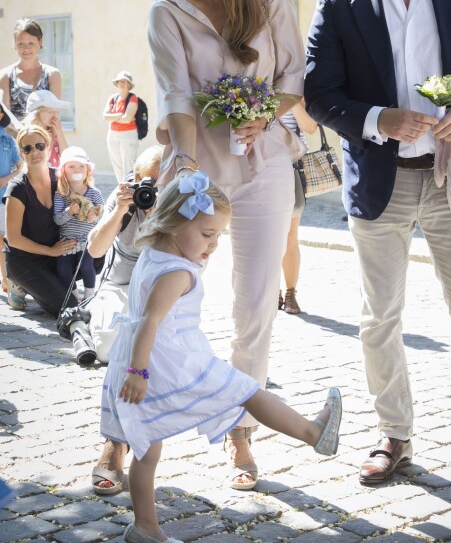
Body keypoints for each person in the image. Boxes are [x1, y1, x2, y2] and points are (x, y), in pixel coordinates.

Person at [304, 0, 451, 492]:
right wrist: (378, 118)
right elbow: (319, 92)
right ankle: (394, 435)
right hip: (382, 180)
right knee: (380, 316)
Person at [100, 172, 342, 542]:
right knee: (247, 391)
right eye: (207, 234)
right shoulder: (177, 272)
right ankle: (313, 432)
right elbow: (150, 320)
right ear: (175, 224)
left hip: (148, 356)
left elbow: (145, 317)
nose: (213, 245)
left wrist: (134, 366)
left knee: (147, 450)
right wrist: (138, 370)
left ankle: (145, 528)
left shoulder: (156, 251)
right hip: (170, 362)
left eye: (218, 236)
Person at [147, 0, 306, 490]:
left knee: (256, 303)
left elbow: (292, 79)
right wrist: (187, 167)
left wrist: (262, 113)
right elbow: (175, 94)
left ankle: (240, 429)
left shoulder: (271, 0)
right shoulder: (167, 10)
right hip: (201, 168)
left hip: (266, 164)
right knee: (160, 296)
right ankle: (124, 433)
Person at [89, 145, 162, 495]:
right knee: (109, 344)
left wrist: (156, 213)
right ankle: (118, 440)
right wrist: (120, 209)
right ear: (133, 178)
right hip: (119, 285)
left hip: (156, 293)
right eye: (145, 181)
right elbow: (94, 250)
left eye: (159, 183)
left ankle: (115, 444)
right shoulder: (124, 200)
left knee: (134, 342)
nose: (149, 189)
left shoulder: (174, 204)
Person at [2, 125, 77, 316]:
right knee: (68, 307)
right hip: (24, 260)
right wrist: (51, 251)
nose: (34, 151)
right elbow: (14, 239)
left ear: (49, 147)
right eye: (27, 149)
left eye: (39, 146)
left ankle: (36, 285)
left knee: (96, 260)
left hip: (54, 255)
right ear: (21, 153)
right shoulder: (17, 188)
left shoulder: (60, 178)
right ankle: (20, 284)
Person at [278, 100, 318, 314]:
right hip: (256, 165)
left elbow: (311, 127)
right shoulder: (253, 80)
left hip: (290, 166)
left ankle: (291, 292)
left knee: (290, 235)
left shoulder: (296, 83)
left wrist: (292, 100)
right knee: (264, 236)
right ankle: (273, 289)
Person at [54, 147, 104, 301]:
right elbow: (57, 220)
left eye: (81, 166)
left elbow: (102, 215)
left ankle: (89, 296)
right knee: (63, 269)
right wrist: (69, 212)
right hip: (67, 240)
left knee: (86, 266)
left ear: (88, 170)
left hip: (86, 240)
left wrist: (93, 218)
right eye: (72, 166)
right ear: (64, 171)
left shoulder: (94, 193)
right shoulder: (61, 194)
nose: (77, 170)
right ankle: (74, 296)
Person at [0, 18, 62, 123]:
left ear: (40, 42)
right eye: (21, 44)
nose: (26, 49)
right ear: (15, 44)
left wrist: (38, 138)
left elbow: (54, 116)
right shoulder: (5, 75)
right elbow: (5, 118)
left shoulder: (52, 75)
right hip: (14, 138)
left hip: (44, 138)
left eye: (31, 43)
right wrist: (23, 136)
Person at [0, 102, 23, 295]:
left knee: (4, 239)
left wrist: (5, 180)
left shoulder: (7, 139)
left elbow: (20, 166)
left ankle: (7, 281)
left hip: (3, 197)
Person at [103, 71, 140, 182]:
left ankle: (130, 188)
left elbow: (128, 119)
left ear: (129, 85)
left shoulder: (133, 98)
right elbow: (105, 117)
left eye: (125, 81)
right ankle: (121, 187)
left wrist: (113, 117)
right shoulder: (113, 98)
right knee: (117, 164)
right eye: (120, 81)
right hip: (112, 134)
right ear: (117, 83)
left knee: (128, 164)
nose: (122, 83)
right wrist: (120, 115)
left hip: (128, 135)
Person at [24, 90, 70, 168]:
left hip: (54, 178)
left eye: (56, 112)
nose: (54, 115)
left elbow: (67, 157)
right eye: (50, 112)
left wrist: (59, 132)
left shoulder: (54, 133)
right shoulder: (28, 135)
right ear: (37, 113)